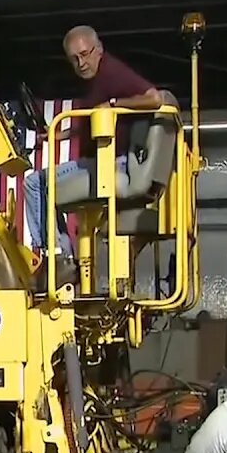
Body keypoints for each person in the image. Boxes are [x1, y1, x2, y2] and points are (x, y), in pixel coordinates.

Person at [23, 25, 164, 280]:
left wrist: (112, 105)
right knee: (39, 185)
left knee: (35, 184)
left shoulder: (113, 73)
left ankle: (59, 256)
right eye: (74, 59)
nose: (81, 63)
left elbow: (154, 99)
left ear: (98, 49)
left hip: (113, 164)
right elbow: (92, 123)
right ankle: (63, 255)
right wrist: (58, 135)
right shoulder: (98, 80)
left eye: (85, 54)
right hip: (103, 161)